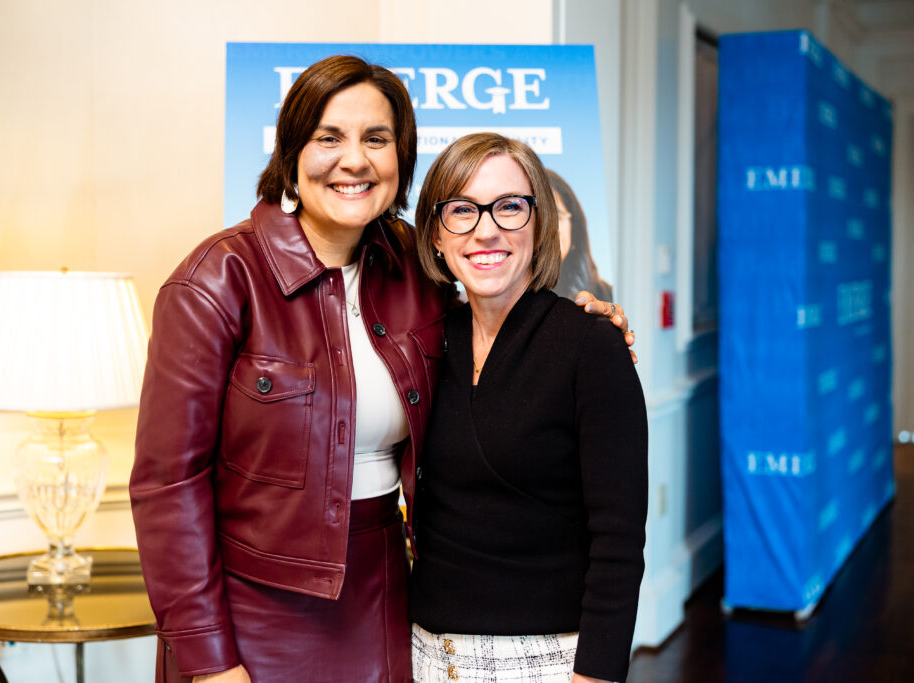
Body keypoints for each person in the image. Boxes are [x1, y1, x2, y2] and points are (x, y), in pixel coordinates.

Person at [130, 56, 632, 683]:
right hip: (256, 606)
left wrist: (587, 321)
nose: (355, 160)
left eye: (377, 139)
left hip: (392, 597)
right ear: (291, 152)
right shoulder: (217, 280)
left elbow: (498, 316)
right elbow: (167, 488)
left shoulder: (414, 271)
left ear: (403, 159)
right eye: (329, 137)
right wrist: (209, 660)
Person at [409, 133, 647, 683]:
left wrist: (596, 674)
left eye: (510, 206)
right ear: (436, 234)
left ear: (539, 224)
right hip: (427, 651)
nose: (485, 229)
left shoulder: (592, 344)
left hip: (548, 660)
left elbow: (618, 541)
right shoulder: (424, 342)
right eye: (462, 210)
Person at [548, 168, 613, 303]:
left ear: (574, 229)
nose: (547, 229)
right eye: (538, 218)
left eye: (556, 216)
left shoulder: (606, 297)